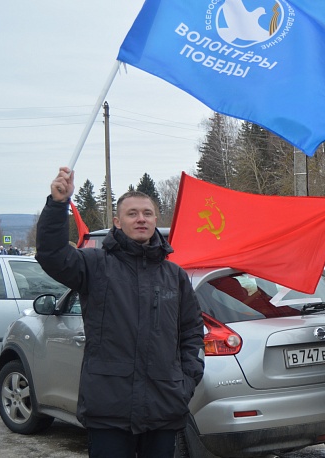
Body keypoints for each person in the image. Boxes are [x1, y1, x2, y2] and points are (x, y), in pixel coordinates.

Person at [35, 167, 204, 458]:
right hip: (109, 409)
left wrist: (184, 385)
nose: (141, 219)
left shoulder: (174, 276)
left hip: (163, 407)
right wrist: (58, 205)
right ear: (117, 221)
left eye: (147, 213)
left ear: (155, 219)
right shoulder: (94, 265)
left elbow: (191, 333)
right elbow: (52, 256)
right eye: (132, 213)